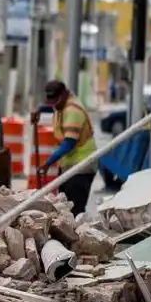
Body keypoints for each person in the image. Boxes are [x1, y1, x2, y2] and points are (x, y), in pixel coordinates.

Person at [30, 80, 98, 215]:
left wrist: (48, 163)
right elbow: (52, 107)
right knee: (64, 208)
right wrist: (39, 109)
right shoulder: (61, 105)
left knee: (74, 209)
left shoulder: (73, 111)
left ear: (64, 95)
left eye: (56, 100)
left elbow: (68, 144)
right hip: (69, 164)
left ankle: (78, 234)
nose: (53, 104)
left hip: (81, 165)